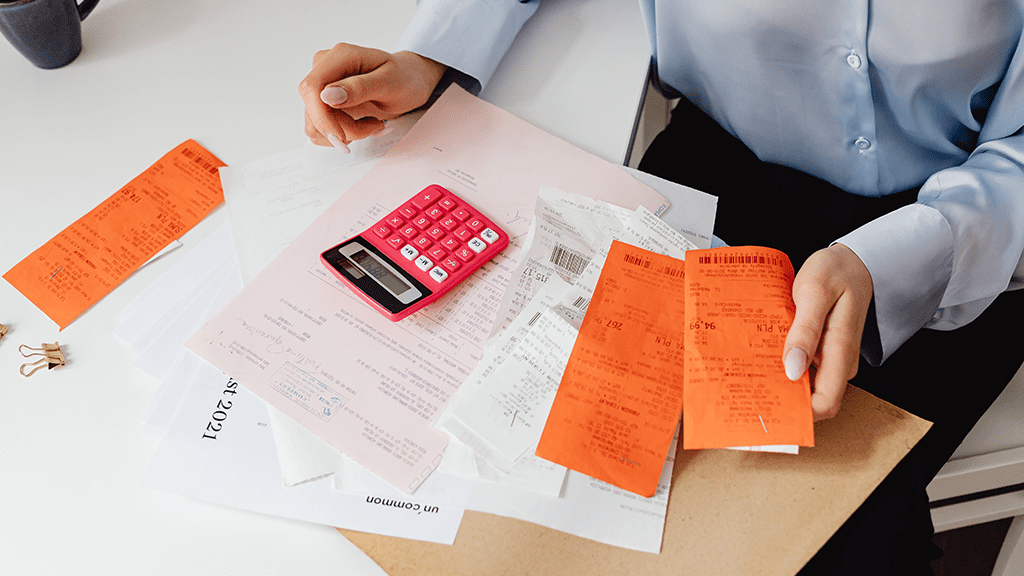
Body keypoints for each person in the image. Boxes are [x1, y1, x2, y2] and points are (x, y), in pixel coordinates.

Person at [299, 1, 1024, 573]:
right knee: (565, 487)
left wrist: (896, 259)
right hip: (717, 180)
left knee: (839, 539)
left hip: (961, 227)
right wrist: (434, 55)